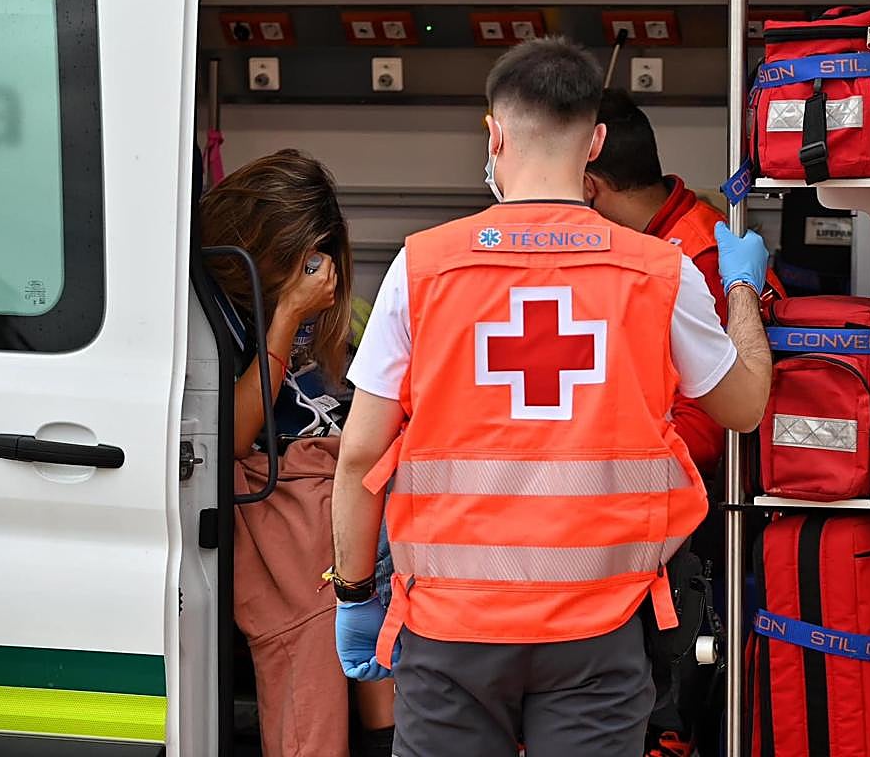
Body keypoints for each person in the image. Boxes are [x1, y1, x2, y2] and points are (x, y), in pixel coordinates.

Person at [329, 37, 773, 757]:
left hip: (449, 636)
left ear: (494, 134)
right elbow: (744, 407)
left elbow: (358, 456)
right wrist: (742, 287)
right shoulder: (661, 273)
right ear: (595, 141)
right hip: (598, 637)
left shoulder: (423, 268)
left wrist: (354, 596)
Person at [199, 149, 395, 757]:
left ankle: (386, 734)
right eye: (302, 258)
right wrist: (285, 316)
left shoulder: (323, 309)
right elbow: (229, 437)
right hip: (277, 490)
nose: (316, 272)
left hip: (329, 467)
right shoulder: (213, 306)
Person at [584, 88, 785, 478]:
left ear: (589, 186)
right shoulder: (650, 241)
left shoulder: (702, 257)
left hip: (702, 490)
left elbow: (709, 430)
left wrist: (605, 468)